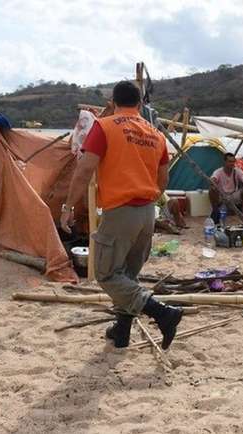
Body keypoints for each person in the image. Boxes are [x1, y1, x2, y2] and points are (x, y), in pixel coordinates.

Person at [59, 81, 182, 349]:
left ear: (113, 103)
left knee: (106, 274)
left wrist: (68, 208)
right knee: (127, 275)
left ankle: (163, 313)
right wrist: (149, 198)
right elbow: (163, 178)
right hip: (147, 212)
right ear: (139, 104)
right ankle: (122, 331)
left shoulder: (104, 127)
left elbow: (85, 170)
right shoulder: (155, 134)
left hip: (120, 211)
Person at [209, 152, 243, 223]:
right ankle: (215, 211)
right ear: (225, 162)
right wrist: (213, 184)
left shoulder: (237, 171)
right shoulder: (218, 172)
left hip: (234, 195)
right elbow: (213, 179)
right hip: (222, 195)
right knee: (211, 190)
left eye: (233, 161)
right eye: (230, 161)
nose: (232, 163)